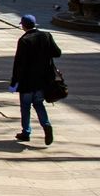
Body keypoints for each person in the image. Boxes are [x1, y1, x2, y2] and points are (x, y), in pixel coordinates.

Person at [9, 14, 61, 145]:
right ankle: (46, 125)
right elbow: (57, 53)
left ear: (23, 25)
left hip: (27, 81)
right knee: (39, 104)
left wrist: (14, 83)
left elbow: (18, 64)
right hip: (43, 80)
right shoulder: (46, 36)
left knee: (25, 107)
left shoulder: (24, 40)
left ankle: (26, 132)